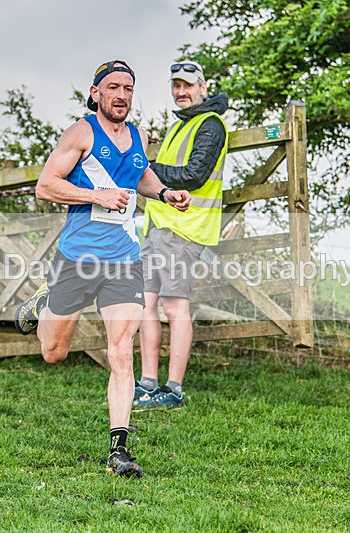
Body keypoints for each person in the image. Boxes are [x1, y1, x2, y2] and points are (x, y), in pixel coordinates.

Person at [13, 60, 190, 478]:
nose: (122, 95)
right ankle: (45, 300)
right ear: (95, 93)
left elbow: (138, 172)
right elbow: (45, 185)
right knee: (53, 353)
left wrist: (164, 193)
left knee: (120, 351)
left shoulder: (138, 136)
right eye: (113, 87)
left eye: (128, 88)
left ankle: (118, 450)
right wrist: (97, 195)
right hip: (78, 258)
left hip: (125, 260)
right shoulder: (81, 132)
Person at [135, 60, 229, 409]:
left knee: (174, 307)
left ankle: (172, 390)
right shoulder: (183, 124)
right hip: (159, 226)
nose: (181, 92)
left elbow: (193, 175)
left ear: (203, 87)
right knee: (146, 305)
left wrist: (141, 166)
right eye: (176, 85)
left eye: (188, 85)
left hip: (185, 227)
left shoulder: (210, 124)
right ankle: (147, 385)